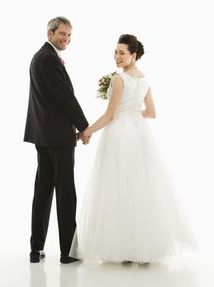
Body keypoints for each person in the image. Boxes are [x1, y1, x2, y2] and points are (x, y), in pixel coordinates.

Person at [69, 34, 196, 263]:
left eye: (122, 53)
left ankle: (123, 250)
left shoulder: (119, 79)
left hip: (119, 135)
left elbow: (110, 115)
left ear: (133, 55)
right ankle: (142, 249)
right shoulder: (145, 79)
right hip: (139, 134)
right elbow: (151, 113)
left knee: (116, 187)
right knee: (140, 188)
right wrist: (132, 114)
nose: (117, 57)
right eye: (115, 52)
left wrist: (85, 132)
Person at [24, 16, 90, 264]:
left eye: (70, 35)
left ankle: (36, 249)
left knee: (43, 190)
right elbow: (64, 97)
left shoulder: (40, 56)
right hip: (58, 137)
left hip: (42, 134)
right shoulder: (48, 58)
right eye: (62, 34)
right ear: (50, 33)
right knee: (65, 193)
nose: (67, 39)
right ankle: (68, 251)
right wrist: (84, 127)